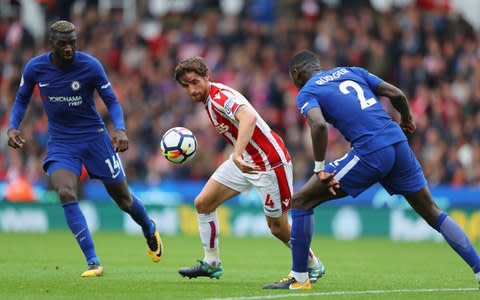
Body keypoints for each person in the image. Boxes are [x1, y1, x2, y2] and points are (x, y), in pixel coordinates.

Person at [264, 50, 480, 290]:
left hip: (371, 150)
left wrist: (319, 168)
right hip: (397, 142)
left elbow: (319, 125)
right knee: (432, 211)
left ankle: (300, 277)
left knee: (302, 201)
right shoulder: (350, 71)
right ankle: (479, 269)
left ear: (297, 74)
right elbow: (397, 94)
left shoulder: (307, 91)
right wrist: (407, 119)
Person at [6, 20, 163, 277]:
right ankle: (93, 261)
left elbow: (111, 100)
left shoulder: (90, 66)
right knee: (66, 192)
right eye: (63, 44)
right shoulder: (35, 68)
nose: (69, 49)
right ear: (51, 45)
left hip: (95, 140)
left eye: (73, 43)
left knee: (123, 199)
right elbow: (22, 98)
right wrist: (13, 126)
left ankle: (148, 227)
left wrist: (120, 128)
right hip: (61, 143)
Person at [173, 56, 325, 282]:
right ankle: (211, 263)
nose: (191, 90)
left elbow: (248, 117)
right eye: (186, 86)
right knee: (203, 203)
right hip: (247, 159)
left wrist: (235, 153)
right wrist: (238, 154)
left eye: (195, 82)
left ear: (207, 77)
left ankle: (313, 264)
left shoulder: (219, 97)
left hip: (270, 163)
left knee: (277, 228)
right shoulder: (210, 101)